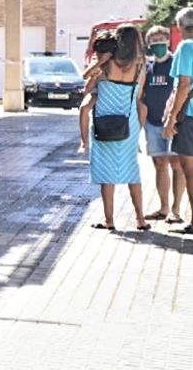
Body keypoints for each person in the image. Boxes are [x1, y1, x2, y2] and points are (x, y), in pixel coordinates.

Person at [84, 24, 148, 232]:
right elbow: (138, 96)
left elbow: (87, 79)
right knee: (132, 170)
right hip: (128, 124)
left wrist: (101, 61)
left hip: (104, 122)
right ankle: (140, 219)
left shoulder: (106, 65)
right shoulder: (140, 64)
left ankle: (109, 220)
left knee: (106, 173)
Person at [141, 25, 186, 222]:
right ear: (148, 44)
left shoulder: (176, 63)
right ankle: (163, 208)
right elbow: (141, 93)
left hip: (175, 122)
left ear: (168, 40)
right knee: (159, 164)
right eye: (153, 39)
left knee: (177, 164)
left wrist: (174, 116)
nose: (157, 43)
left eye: (161, 38)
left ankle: (176, 210)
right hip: (152, 123)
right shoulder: (148, 67)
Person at [164, 8, 193, 235]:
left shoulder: (186, 47)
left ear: (182, 27)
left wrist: (172, 117)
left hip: (190, 115)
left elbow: (183, 85)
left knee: (189, 169)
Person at [78, 31, 117, 154]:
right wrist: (99, 62)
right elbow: (85, 75)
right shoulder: (97, 60)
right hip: (97, 87)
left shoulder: (116, 60)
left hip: (110, 88)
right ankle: (84, 141)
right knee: (84, 108)